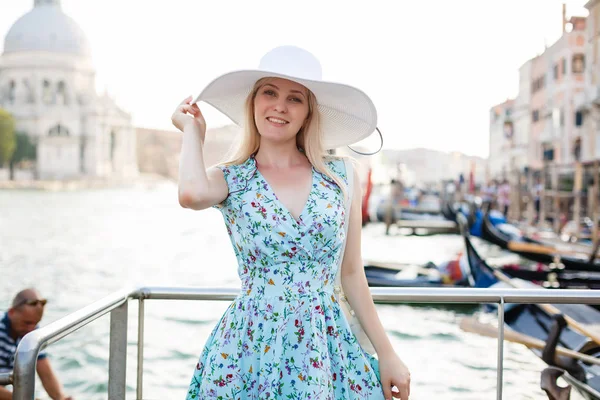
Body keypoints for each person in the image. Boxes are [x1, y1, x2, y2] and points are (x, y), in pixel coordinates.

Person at [172, 46, 411, 400]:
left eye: (294, 98)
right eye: (269, 92)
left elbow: (351, 274)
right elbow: (190, 194)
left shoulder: (341, 175)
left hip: (325, 344)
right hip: (250, 346)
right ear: (253, 103)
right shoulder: (233, 178)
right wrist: (192, 131)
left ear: (307, 113)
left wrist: (388, 353)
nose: (280, 106)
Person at [0, 289, 73, 400]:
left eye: (35, 323)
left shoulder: (29, 332)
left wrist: (61, 397)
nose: (31, 329)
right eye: (27, 323)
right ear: (11, 312)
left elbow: (46, 373)